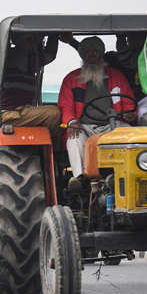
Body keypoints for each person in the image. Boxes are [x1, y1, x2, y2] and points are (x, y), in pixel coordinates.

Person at [57, 36, 136, 190]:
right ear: (83, 56)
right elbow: (65, 106)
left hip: (112, 124)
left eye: (95, 51)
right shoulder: (71, 79)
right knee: (74, 138)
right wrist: (72, 121)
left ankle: (131, 175)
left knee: (131, 135)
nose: (92, 55)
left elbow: (129, 103)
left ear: (101, 54)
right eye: (88, 52)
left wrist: (130, 113)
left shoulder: (116, 76)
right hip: (84, 126)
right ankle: (80, 179)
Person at [0, 33, 62, 138]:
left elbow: (48, 55)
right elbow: (46, 56)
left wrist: (53, 36)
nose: (34, 43)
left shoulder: (29, 59)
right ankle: (56, 151)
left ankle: (45, 148)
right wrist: (52, 36)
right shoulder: (12, 56)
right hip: (10, 114)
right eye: (31, 40)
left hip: (23, 111)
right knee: (54, 113)